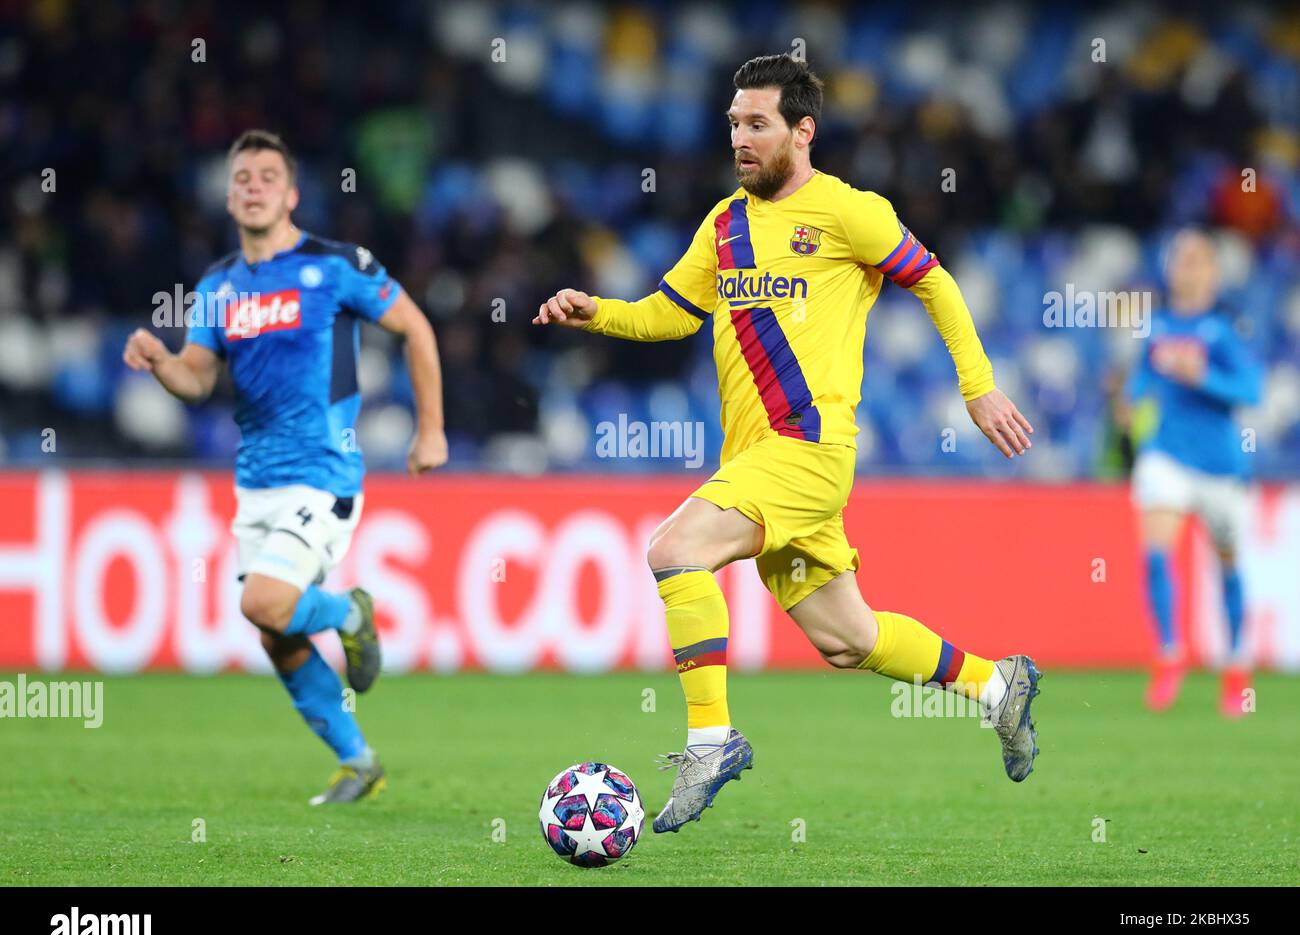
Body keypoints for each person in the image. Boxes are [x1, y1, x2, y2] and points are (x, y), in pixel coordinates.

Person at [535, 55, 1041, 834]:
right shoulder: (724, 224)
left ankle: (711, 739)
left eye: (757, 123)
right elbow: (669, 313)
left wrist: (977, 386)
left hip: (807, 451)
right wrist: (595, 311)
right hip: (756, 461)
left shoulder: (848, 211)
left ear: (802, 131)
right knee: (849, 637)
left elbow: (933, 279)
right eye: (734, 122)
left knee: (674, 550)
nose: (739, 136)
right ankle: (998, 686)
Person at [124, 130, 448, 802]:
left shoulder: (335, 264)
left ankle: (351, 615)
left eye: (267, 175)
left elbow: (416, 326)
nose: (253, 185)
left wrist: (431, 430)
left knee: (263, 601)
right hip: (257, 483)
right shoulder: (217, 286)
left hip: (324, 471)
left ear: (292, 193)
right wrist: (161, 363)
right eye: (241, 177)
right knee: (275, 630)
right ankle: (358, 760)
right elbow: (196, 379)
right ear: (228, 194)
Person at [1128, 228, 1262, 717]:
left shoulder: (1223, 331)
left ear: (1213, 272)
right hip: (1166, 455)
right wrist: (1128, 400)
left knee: (1227, 566)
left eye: (1197, 260)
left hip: (1222, 467)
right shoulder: (1157, 327)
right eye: (1180, 259)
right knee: (1156, 552)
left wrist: (1200, 376)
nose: (1188, 268)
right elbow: (1142, 377)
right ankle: (1169, 654)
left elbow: (1250, 391)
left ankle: (1235, 667)